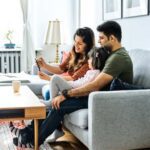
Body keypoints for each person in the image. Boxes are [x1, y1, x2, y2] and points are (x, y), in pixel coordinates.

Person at [12, 21, 133, 149]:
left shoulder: (118, 58)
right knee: (55, 104)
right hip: (95, 96)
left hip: (101, 100)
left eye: (102, 38)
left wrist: (66, 94)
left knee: (59, 106)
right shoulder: (111, 55)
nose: (99, 41)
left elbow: (95, 85)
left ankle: (34, 140)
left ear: (112, 38)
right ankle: (28, 134)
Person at [37, 27, 95, 100]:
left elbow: (72, 79)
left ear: (88, 45)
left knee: (49, 93)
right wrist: (45, 65)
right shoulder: (73, 53)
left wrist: (50, 78)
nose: (76, 46)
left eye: (80, 43)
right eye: (75, 41)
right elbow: (61, 69)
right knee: (49, 93)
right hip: (67, 84)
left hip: (75, 88)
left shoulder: (89, 61)